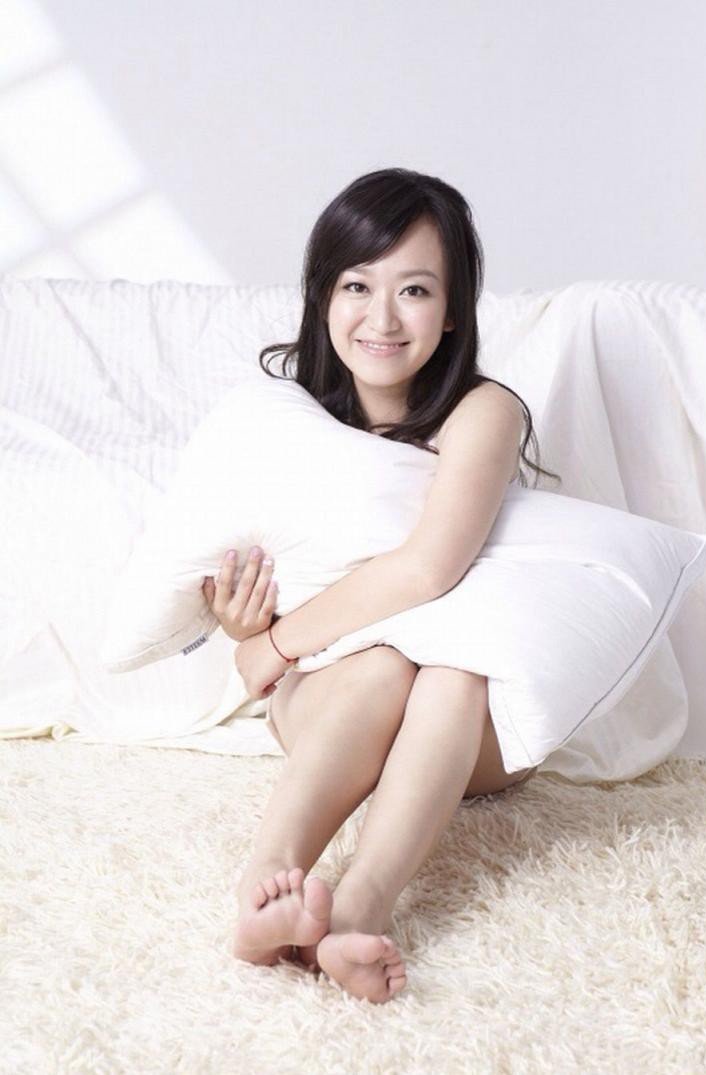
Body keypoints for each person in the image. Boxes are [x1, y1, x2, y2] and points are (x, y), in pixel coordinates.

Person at [202, 168, 559, 1005]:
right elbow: (256, 574)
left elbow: (430, 567)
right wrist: (244, 621)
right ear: (324, 295)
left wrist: (273, 643)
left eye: (416, 290)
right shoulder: (288, 417)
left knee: (451, 666)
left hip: (469, 730)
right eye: (358, 285)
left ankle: (361, 906)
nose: (383, 317)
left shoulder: (484, 412)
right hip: (336, 697)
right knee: (380, 663)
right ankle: (266, 891)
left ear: (455, 309)